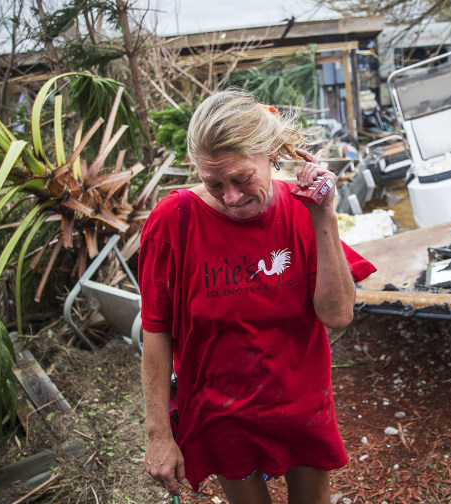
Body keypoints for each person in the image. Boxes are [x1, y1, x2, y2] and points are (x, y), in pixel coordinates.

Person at [138, 89, 375, 504]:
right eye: (214, 183)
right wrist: (158, 434)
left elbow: (337, 314)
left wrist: (324, 213)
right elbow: (156, 330)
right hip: (220, 408)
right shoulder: (172, 222)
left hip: (301, 401)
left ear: (271, 154)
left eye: (242, 179)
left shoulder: (304, 209)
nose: (230, 197)